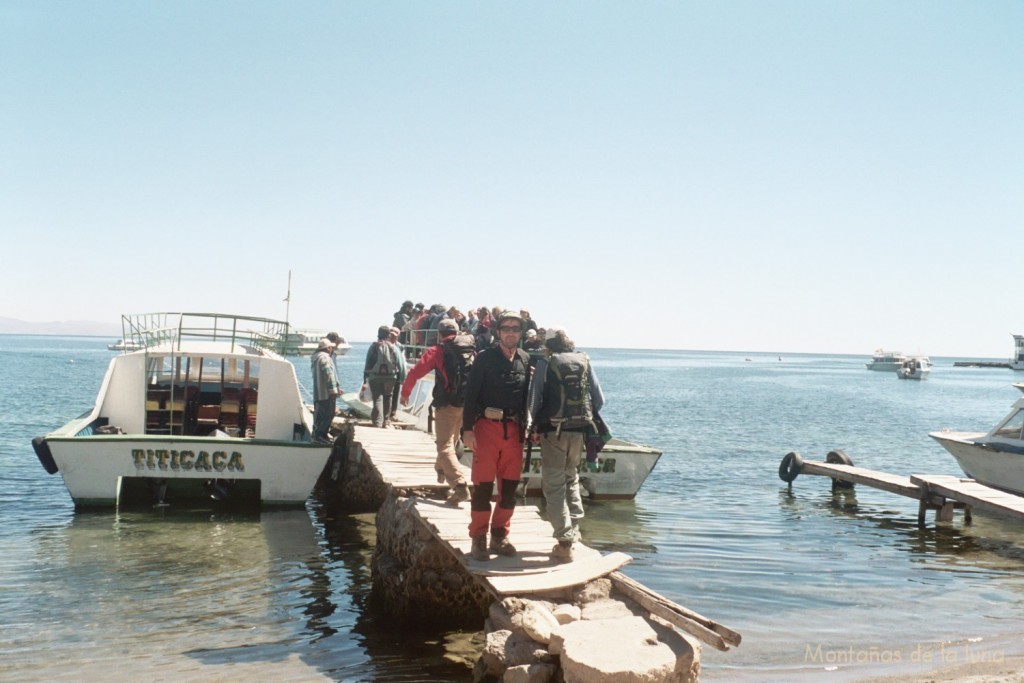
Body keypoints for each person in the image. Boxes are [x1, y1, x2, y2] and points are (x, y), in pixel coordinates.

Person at [526, 327, 604, 562]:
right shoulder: (584, 361)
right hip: (579, 431)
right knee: (572, 478)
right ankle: (576, 529)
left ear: (548, 346)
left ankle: (564, 541)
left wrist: (532, 425)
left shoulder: (544, 364)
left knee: (554, 485)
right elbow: (599, 400)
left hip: (553, 432)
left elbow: (533, 400)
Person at [462, 310, 531, 561]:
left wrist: (530, 430)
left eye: (515, 328)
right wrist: (467, 429)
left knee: (510, 488)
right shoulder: (484, 358)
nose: (511, 332)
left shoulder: (524, 358)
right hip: (486, 429)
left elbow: (527, 399)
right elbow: (470, 396)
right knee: (482, 487)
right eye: (506, 328)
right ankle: (478, 538)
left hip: (515, 431)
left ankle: (500, 535)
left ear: (520, 333)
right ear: (498, 332)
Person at [400, 318, 475, 506]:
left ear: (439, 334)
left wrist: (405, 394)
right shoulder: (471, 350)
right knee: (452, 441)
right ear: (457, 333)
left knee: (444, 445)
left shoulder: (437, 351)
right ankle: (441, 469)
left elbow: (414, 372)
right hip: (466, 405)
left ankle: (459, 485)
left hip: (447, 405)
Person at [362, 325, 401, 428]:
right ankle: (386, 421)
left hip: (375, 377)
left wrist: (365, 379)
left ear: (378, 334)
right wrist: (401, 378)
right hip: (390, 377)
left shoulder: (373, 346)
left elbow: (368, 363)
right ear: (389, 335)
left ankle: (377, 422)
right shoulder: (393, 347)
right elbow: (400, 363)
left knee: (377, 398)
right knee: (388, 397)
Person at [310, 337, 342, 444]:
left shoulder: (315, 358)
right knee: (327, 415)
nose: (332, 349)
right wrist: (333, 391)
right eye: (330, 347)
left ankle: (320, 436)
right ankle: (319, 436)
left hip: (318, 393)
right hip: (325, 394)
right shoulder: (325, 358)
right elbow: (329, 375)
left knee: (319, 416)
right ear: (328, 348)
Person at [388, 326, 407, 422]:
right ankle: (386, 413)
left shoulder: (400, 347)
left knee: (395, 394)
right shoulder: (385, 344)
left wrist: (403, 376)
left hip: (396, 373)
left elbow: (402, 361)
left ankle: (393, 413)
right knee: (387, 394)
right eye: (391, 333)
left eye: (395, 334)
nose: (392, 335)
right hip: (387, 374)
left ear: (398, 336)